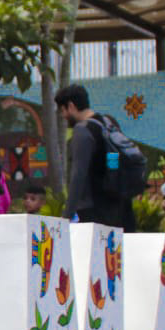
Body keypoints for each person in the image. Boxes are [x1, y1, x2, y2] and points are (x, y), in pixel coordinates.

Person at [55, 84, 137, 230]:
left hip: (93, 209)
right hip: (118, 205)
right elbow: (114, 159)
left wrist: (67, 214)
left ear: (71, 106)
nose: (63, 116)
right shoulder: (109, 123)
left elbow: (78, 174)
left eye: (62, 110)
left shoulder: (82, 130)